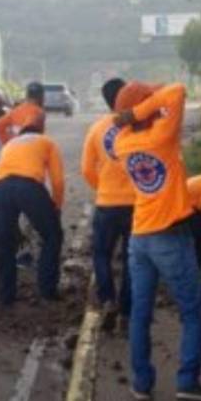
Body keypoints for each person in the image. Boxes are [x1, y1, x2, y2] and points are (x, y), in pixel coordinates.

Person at [110, 79, 201, 401]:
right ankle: (188, 381)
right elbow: (177, 91)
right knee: (191, 310)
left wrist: (131, 114)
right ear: (145, 108)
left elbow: (159, 100)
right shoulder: (162, 136)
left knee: (141, 313)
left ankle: (142, 383)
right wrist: (141, 109)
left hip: (139, 238)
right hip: (169, 235)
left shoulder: (122, 142)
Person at [0, 111, 64, 306]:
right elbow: (57, 180)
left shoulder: (10, 144)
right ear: (42, 128)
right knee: (52, 236)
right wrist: (56, 206)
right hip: (28, 186)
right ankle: (47, 290)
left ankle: (6, 297)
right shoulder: (47, 142)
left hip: (0, 188)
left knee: (4, 243)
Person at [83, 82, 136, 323]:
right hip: (137, 205)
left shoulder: (97, 129)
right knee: (132, 259)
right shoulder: (140, 126)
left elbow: (86, 169)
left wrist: (103, 188)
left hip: (107, 203)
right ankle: (126, 311)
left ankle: (107, 300)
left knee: (101, 254)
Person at [0, 81, 45, 146]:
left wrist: (7, 143)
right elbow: (29, 128)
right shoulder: (38, 112)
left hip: (14, 149)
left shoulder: (17, 110)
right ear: (41, 97)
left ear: (27, 95)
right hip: (29, 149)